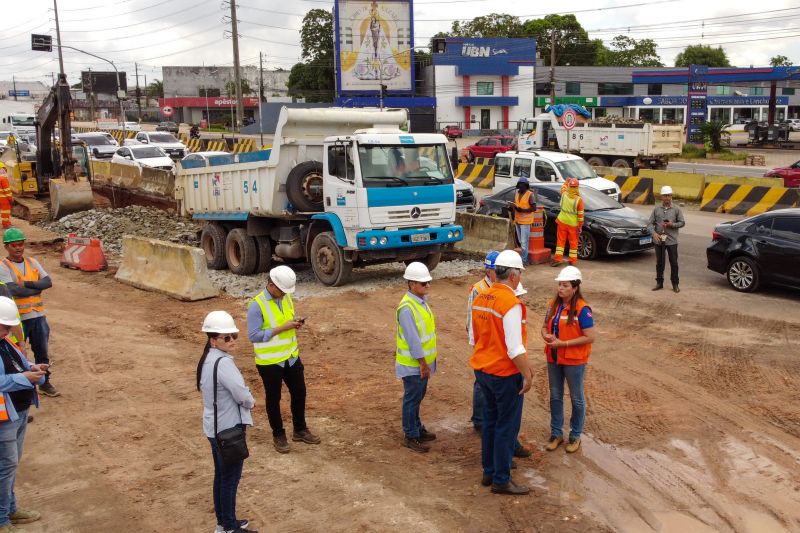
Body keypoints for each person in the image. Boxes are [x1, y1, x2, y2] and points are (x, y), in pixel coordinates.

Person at [470, 250, 533, 495]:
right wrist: (527, 374)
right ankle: (501, 478)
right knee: (506, 426)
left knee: (490, 422)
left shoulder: (481, 298)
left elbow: (476, 336)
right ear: (515, 276)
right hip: (505, 374)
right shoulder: (511, 303)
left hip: (483, 370)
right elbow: (514, 347)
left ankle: (489, 471)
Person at [247, 265, 319, 454]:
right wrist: (283, 328)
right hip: (270, 363)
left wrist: (295, 322)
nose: (284, 294)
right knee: (274, 399)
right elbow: (254, 335)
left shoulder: (286, 298)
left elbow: (286, 318)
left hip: (291, 357)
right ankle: (278, 435)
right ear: (271, 285)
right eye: (281, 290)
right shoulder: (257, 305)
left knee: (299, 393)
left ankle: (300, 430)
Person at [197, 310, 257, 533]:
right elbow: (241, 394)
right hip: (228, 430)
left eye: (233, 336)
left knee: (222, 477)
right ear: (213, 340)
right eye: (226, 338)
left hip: (215, 428)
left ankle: (224, 524)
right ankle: (230, 527)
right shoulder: (222, 363)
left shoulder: (208, 359)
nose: (232, 341)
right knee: (229, 479)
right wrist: (251, 401)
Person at [0, 296, 45, 532]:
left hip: (17, 413)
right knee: (4, 467)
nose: (8, 330)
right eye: (4, 325)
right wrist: (24, 378)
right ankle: (2, 519)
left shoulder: (6, 343)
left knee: (10, 465)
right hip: (3, 420)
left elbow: (21, 366)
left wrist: (35, 371)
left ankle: (10, 509)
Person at [541, 266, 595, 454]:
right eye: (559, 285)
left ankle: (575, 435)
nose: (560, 289)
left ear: (575, 288)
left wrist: (563, 344)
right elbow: (544, 327)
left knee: (576, 398)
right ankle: (556, 433)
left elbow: (589, 336)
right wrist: (546, 336)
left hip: (574, 360)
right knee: (555, 396)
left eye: (565, 285)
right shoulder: (553, 305)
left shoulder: (583, 309)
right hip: (554, 357)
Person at [0, 229, 58, 397]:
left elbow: (47, 282)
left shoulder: (32, 262)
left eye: (21, 244)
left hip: (38, 316)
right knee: (17, 353)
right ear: (7, 247)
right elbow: (11, 289)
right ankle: (20, 389)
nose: (19, 248)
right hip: (17, 319)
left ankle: (44, 382)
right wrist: (35, 287)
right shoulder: (3, 266)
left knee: (42, 352)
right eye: (14, 245)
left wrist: (25, 284)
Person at [396, 262, 438, 453]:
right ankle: (411, 435)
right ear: (411, 284)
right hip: (414, 365)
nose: (427, 286)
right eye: (423, 284)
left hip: (421, 364)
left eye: (428, 282)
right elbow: (413, 341)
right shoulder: (407, 308)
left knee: (417, 397)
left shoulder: (420, 302)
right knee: (412, 399)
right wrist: (423, 364)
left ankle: (416, 428)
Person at [648, 185, 685, 293]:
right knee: (660, 262)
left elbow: (682, 223)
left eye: (669, 195)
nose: (667, 198)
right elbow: (649, 223)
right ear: (661, 197)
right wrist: (654, 233)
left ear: (671, 196)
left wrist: (672, 224)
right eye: (665, 196)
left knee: (674, 263)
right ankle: (659, 283)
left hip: (672, 241)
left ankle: (675, 284)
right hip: (659, 241)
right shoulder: (656, 209)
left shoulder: (676, 209)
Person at [551, 178, 584, 267]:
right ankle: (572, 261)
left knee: (560, 241)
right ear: (577, 187)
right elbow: (580, 216)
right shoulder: (579, 200)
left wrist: (567, 181)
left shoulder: (564, 194)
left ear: (569, 186)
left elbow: (563, 188)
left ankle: (558, 259)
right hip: (573, 225)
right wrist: (580, 226)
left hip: (562, 222)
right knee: (573, 242)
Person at [511, 177, 536, 265]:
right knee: (521, 242)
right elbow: (517, 204)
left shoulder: (530, 195)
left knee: (524, 243)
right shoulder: (517, 193)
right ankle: (524, 259)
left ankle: (524, 260)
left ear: (526, 186)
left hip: (526, 221)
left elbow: (534, 208)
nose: (520, 187)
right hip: (518, 220)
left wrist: (523, 210)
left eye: (522, 186)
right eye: (519, 186)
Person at [0, 164, 12, 229]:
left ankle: (7, 222)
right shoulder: (3, 178)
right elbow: (7, 190)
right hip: (3, 198)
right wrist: (10, 199)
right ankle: (6, 224)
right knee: (5, 211)